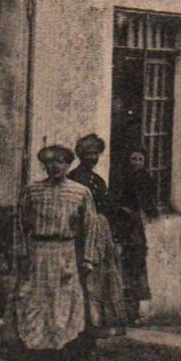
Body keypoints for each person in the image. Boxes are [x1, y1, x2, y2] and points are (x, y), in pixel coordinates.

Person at [0, 144, 102, 361]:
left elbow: (90, 227)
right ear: (44, 166)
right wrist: (21, 253)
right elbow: (19, 224)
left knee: (63, 310)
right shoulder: (32, 191)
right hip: (37, 255)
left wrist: (87, 259)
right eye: (50, 163)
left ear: (68, 165)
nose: (55, 167)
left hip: (65, 254)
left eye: (60, 162)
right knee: (33, 308)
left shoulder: (80, 192)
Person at [68, 134, 132, 333]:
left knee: (103, 274)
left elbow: (106, 206)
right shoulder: (74, 179)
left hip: (100, 230)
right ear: (80, 155)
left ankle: (100, 321)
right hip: (83, 230)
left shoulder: (98, 180)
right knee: (86, 274)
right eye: (89, 154)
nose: (93, 158)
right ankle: (85, 321)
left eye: (96, 153)